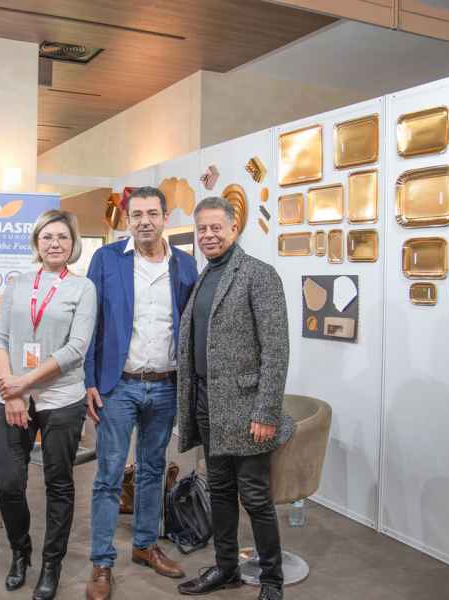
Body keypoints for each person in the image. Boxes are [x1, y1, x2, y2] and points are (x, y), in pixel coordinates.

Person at [175, 197, 293, 600]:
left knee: (255, 497)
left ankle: (272, 581)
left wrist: (267, 412)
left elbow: (276, 349)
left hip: (246, 409)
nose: (208, 235)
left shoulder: (259, 274)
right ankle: (226, 569)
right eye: (202, 229)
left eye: (216, 228)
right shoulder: (204, 276)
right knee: (221, 491)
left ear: (233, 228)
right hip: (208, 404)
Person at [84, 187, 198, 600]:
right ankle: (102, 562)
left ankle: (146, 546)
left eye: (152, 213)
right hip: (119, 385)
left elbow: (187, 326)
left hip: (166, 384)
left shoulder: (185, 264)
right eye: (137, 214)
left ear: (166, 216)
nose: (145, 221)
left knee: (153, 470)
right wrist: (89, 381)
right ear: (127, 219)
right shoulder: (106, 259)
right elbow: (89, 322)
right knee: (109, 475)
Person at [0, 209, 97, 600]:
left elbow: (75, 348)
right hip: (15, 399)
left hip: (62, 399)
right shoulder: (18, 284)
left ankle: (52, 564)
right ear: (37, 242)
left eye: (63, 237)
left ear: (73, 244)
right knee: (8, 484)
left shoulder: (83, 288)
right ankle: (21, 552)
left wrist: (23, 383)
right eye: (48, 236)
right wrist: (14, 392)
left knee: (59, 484)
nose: (55, 243)